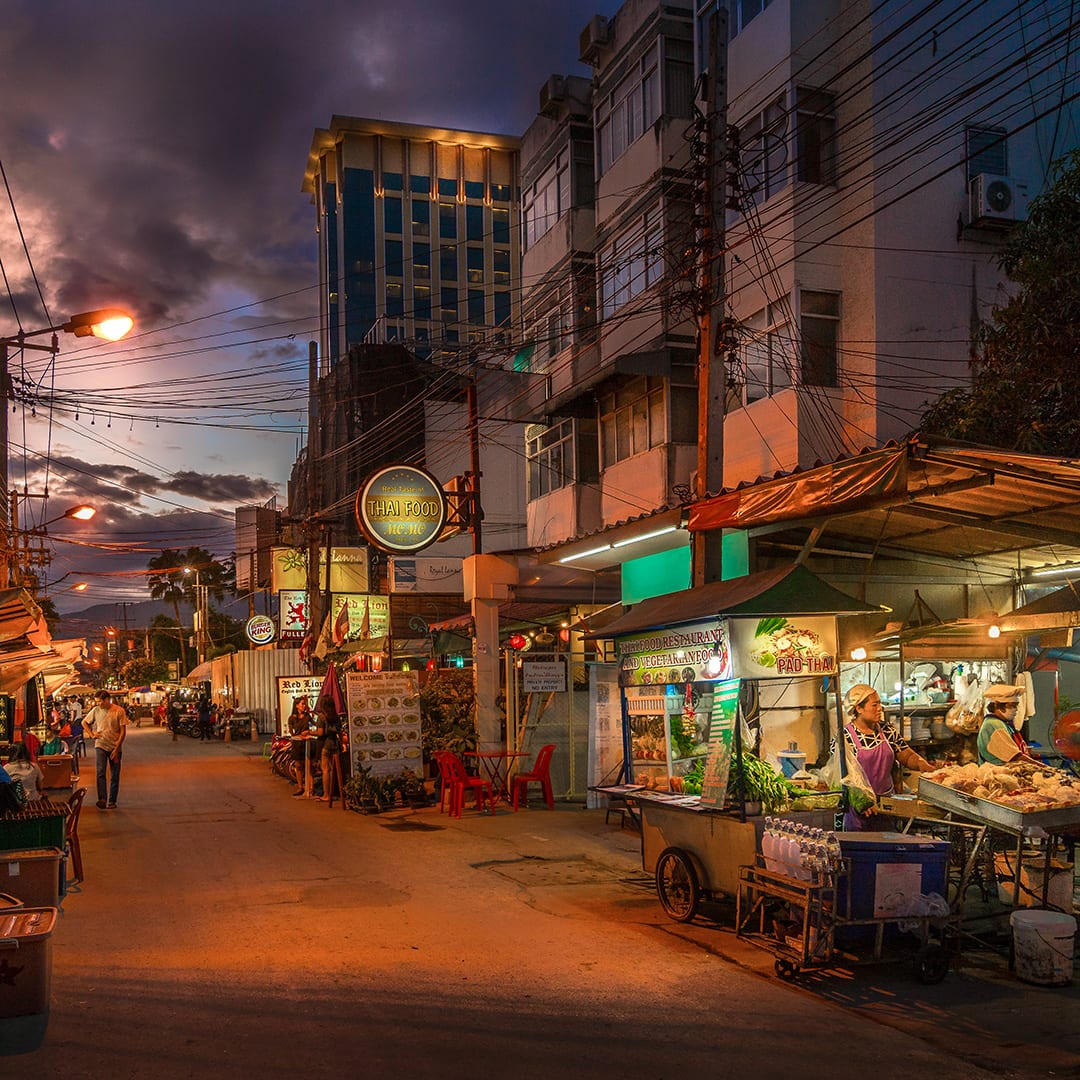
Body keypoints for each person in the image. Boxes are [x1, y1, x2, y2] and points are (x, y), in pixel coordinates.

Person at [839, 683, 935, 831]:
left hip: (886, 805)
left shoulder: (887, 730)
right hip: (859, 809)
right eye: (874, 705)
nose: (880, 708)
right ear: (858, 708)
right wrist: (862, 801)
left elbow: (906, 755)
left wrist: (922, 764)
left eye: (880, 704)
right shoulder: (845, 737)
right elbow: (842, 776)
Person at [84, 689, 128, 809]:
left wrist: (116, 749)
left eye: (100, 701)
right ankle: (102, 799)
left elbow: (123, 731)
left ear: (107, 699)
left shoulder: (119, 711)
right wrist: (92, 734)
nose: (99, 704)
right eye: (97, 701)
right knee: (100, 772)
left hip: (115, 746)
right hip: (101, 745)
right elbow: (84, 722)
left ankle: (112, 800)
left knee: (115, 774)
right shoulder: (96, 710)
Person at [978, 683, 1039, 765]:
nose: (1016, 709)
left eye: (1016, 706)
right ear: (998, 706)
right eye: (1012, 706)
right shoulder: (994, 725)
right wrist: (1044, 767)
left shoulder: (1004, 724)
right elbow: (1015, 756)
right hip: (997, 771)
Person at [314, 701, 342, 803]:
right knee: (334, 769)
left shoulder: (322, 716)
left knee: (325, 769)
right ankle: (334, 793)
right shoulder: (336, 716)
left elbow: (320, 733)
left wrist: (310, 732)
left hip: (325, 744)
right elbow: (340, 732)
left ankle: (326, 795)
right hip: (335, 744)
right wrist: (342, 744)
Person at [286, 698, 313, 795]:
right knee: (298, 765)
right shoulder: (292, 718)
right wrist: (297, 736)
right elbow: (291, 732)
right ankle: (300, 786)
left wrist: (309, 733)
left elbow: (314, 725)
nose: (304, 706)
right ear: (296, 705)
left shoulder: (307, 716)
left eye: (304, 704)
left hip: (307, 742)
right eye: (302, 704)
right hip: (297, 743)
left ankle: (310, 788)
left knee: (308, 765)